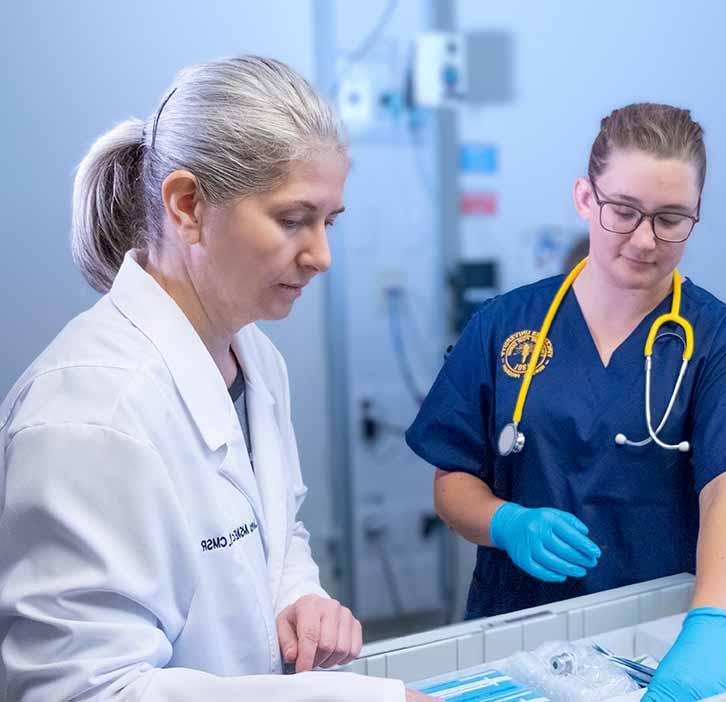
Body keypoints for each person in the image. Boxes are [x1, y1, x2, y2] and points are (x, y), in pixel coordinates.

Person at [0, 56, 420, 701]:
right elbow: (78, 692)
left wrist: (298, 594)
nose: (321, 256)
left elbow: (275, 531)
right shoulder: (89, 413)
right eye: (292, 220)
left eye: (328, 222)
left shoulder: (254, 357)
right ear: (188, 205)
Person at [407, 103, 726, 700]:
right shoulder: (504, 326)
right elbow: (453, 483)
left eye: (672, 218)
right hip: (514, 634)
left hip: (653, 635)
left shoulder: (721, 343)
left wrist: (713, 624)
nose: (645, 239)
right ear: (584, 197)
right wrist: (506, 521)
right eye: (624, 212)